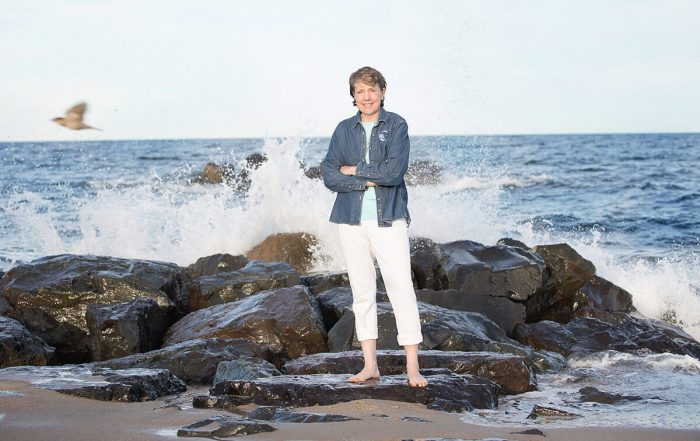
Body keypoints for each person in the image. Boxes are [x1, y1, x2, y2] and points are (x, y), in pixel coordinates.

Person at [321, 66, 427, 388]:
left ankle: (412, 367)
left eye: (371, 90)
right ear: (353, 96)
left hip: (388, 219)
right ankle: (370, 365)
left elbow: (394, 172)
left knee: (400, 289)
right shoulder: (343, 130)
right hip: (350, 221)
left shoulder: (396, 125)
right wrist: (367, 179)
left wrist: (354, 172)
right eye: (359, 91)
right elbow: (328, 173)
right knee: (362, 293)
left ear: (382, 91)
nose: (366, 97)